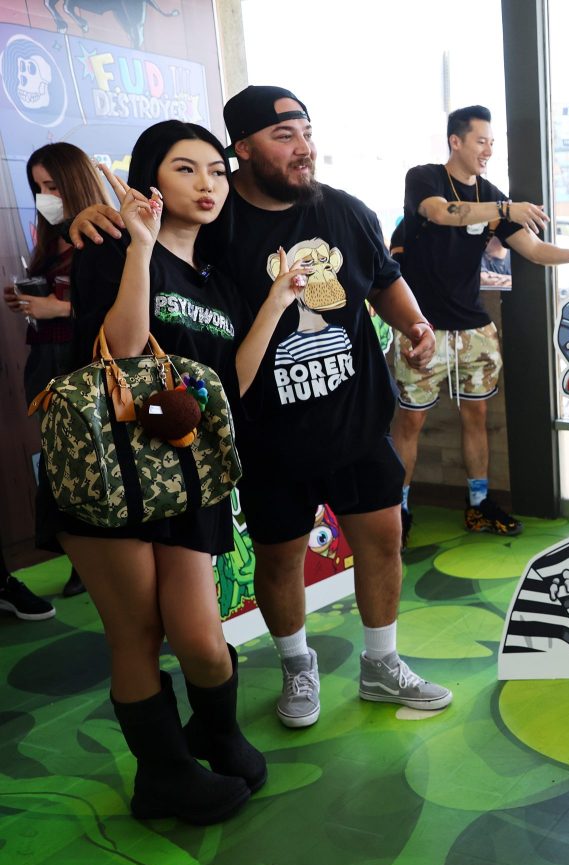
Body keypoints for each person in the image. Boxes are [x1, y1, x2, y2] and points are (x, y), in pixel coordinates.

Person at [74, 86, 453, 729]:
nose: (303, 148)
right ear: (243, 149)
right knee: (280, 559)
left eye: (306, 132)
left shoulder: (346, 211)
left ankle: (382, 663)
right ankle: (298, 666)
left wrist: (415, 325)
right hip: (266, 435)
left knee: (383, 540)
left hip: (357, 422)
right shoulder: (216, 223)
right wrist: (90, 217)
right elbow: (155, 247)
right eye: (284, 136)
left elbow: (384, 283)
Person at [42, 120, 309, 823]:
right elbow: (124, 350)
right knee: (135, 635)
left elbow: (231, 384)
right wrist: (139, 243)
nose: (207, 184)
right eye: (185, 169)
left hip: (188, 477)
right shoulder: (112, 247)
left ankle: (215, 735)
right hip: (110, 474)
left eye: (217, 171)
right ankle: (161, 777)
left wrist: (276, 303)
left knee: (201, 638)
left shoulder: (217, 279)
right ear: (151, 181)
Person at [391, 106, 569, 542]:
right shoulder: (425, 178)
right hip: (421, 327)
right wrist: (506, 207)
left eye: (492, 142)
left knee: (477, 417)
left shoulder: (491, 194)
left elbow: (532, 249)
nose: (488, 150)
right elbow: (441, 213)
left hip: (475, 328)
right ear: (455, 141)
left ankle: (479, 505)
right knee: (410, 423)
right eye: (481, 141)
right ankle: (398, 511)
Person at [7, 143, 111, 600]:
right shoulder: (49, 241)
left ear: (75, 181)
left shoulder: (107, 233)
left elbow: (120, 310)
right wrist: (30, 302)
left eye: (52, 185)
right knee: (62, 467)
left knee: (96, 463)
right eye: (37, 188)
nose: (45, 197)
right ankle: (82, 559)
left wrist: (59, 308)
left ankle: (103, 557)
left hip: (85, 364)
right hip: (46, 363)